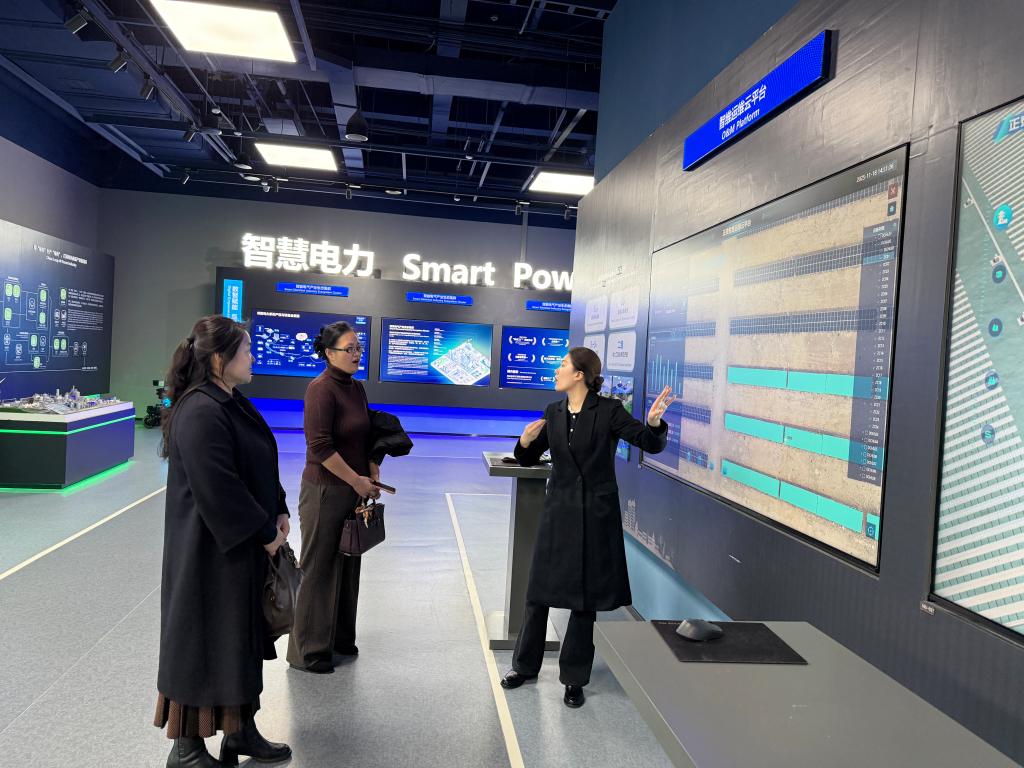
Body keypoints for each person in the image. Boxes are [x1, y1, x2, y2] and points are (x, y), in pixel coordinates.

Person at [500, 346, 675, 708]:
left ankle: (574, 678)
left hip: (595, 516)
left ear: (579, 374)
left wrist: (655, 424)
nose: (557, 370)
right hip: (558, 513)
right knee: (538, 593)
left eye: (563, 365)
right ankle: (524, 667)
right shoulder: (553, 411)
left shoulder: (609, 410)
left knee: (583, 601)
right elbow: (528, 458)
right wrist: (525, 442)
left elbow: (648, 442)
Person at [155, 315, 291, 768]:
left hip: (236, 551)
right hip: (207, 555)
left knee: (239, 642)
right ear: (219, 358)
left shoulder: (232, 402)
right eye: (246, 350)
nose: (253, 357)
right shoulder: (200, 410)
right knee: (201, 643)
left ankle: (240, 732)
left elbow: (260, 460)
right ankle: (187, 749)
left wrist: (279, 506)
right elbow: (219, 487)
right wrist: (265, 533)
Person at [287, 321, 382, 674]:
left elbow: (366, 434)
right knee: (319, 567)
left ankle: (340, 640)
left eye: (359, 348)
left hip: (353, 490)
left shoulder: (356, 388)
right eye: (349, 349)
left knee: (348, 564)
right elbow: (320, 446)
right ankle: (308, 652)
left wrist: (372, 468)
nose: (357, 354)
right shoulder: (320, 390)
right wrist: (356, 480)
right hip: (325, 491)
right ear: (329, 353)